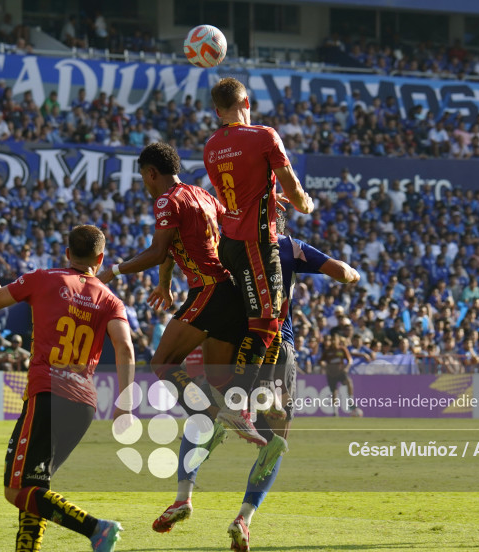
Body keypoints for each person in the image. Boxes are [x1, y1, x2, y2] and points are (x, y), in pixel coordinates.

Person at [154, 209, 361, 552]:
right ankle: (244, 519)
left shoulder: (225, 244)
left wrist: (164, 282)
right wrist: (353, 275)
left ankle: (183, 496)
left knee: (204, 417)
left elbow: (176, 250)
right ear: (279, 225)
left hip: (229, 342)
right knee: (276, 441)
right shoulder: (288, 246)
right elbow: (341, 272)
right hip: (275, 347)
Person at [0, 224, 135, 552]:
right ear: (101, 258)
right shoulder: (110, 300)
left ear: (67, 253)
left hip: (48, 393)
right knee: (37, 486)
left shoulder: (42, 278)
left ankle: (96, 528)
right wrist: (126, 402)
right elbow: (125, 348)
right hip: (84, 405)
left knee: (15, 489)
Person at [99, 142, 265, 445]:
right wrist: (164, 283)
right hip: (230, 292)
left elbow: (157, 250)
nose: (144, 185)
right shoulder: (203, 195)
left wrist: (115, 271)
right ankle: (245, 414)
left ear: (151, 173)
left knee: (162, 363)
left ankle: (209, 418)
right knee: (218, 378)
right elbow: (173, 249)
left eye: (142, 178)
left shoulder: (166, 201)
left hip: (209, 290)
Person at [204, 77, 314, 415]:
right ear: (247, 102)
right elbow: (291, 184)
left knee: (245, 319)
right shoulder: (264, 135)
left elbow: (240, 188)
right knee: (268, 320)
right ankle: (237, 401)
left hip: (229, 242)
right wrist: (304, 204)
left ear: (218, 111)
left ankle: (245, 394)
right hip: (256, 243)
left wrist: (268, 197)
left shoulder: (210, 146)